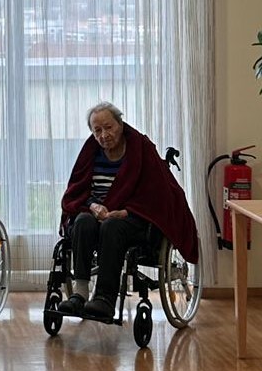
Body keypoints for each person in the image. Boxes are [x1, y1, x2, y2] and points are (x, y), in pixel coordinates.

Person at [58, 101, 200, 319]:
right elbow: (77, 190)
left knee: (112, 226)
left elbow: (155, 192)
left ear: (120, 124)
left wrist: (127, 212)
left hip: (134, 217)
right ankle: (80, 294)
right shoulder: (91, 152)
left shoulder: (141, 148)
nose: (104, 135)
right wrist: (93, 206)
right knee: (82, 222)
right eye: (97, 130)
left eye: (108, 127)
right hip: (96, 213)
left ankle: (105, 298)